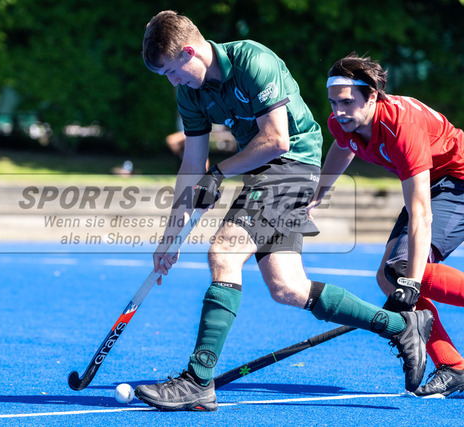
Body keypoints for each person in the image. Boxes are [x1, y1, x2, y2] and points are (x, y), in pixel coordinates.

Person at [134, 11, 433, 412]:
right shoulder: (191, 93)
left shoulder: (252, 60)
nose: (173, 82)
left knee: (224, 252)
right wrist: (170, 238)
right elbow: (191, 166)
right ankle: (401, 325)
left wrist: (218, 174)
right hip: (261, 174)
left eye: (173, 71)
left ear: (190, 52)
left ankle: (198, 380)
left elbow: (276, 140)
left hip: (293, 163)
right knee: (288, 288)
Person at [308, 53, 464, 398]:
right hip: (432, 184)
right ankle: (453, 366)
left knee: (406, 272)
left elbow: (421, 213)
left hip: (458, 181)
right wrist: (317, 196)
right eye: (333, 103)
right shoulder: (344, 122)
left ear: (373, 97)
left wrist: (412, 282)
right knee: (388, 277)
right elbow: (343, 147)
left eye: (347, 102)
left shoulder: (402, 127)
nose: (338, 111)